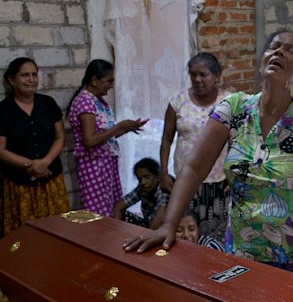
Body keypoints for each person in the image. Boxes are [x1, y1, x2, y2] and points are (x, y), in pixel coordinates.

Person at [124, 29, 293, 285]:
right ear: (262, 64)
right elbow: (193, 167)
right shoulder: (235, 108)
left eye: (291, 50)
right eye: (273, 47)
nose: (279, 51)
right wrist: (169, 224)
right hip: (247, 249)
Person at [159, 52, 231, 243]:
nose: (197, 80)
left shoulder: (228, 102)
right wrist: (164, 173)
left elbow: (238, 141)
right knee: (186, 233)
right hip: (185, 181)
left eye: (203, 75)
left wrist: (235, 175)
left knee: (214, 235)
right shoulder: (178, 101)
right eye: (193, 74)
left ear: (216, 76)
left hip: (218, 182)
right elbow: (166, 138)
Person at [67, 59, 148, 217]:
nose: (111, 85)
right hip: (93, 166)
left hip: (105, 164)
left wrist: (127, 128)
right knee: (98, 212)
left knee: (110, 209)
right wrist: (118, 127)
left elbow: (105, 136)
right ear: (95, 80)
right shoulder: (85, 102)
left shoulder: (98, 102)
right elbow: (90, 140)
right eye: (109, 81)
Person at [0, 57, 70, 237]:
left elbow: (60, 136)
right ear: (11, 80)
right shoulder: (3, 110)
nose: (31, 80)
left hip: (51, 180)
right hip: (20, 186)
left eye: (34, 75)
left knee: (58, 233)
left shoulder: (48, 104)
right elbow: (1, 150)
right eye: (24, 75)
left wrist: (44, 163)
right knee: (25, 237)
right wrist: (31, 166)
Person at [113, 158, 169, 229]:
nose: (143, 182)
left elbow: (159, 219)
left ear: (157, 176)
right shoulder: (142, 188)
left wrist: (144, 238)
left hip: (164, 230)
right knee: (124, 215)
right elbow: (118, 207)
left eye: (147, 177)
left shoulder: (164, 189)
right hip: (148, 226)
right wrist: (116, 231)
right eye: (139, 179)